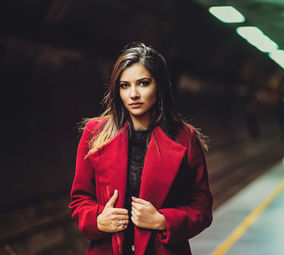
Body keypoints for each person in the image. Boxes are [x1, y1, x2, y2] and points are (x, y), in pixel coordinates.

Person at [69, 42, 213, 255]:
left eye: (143, 83)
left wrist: (164, 221)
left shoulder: (185, 139)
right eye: (124, 85)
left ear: (160, 86)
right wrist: (98, 219)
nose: (133, 94)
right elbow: (80, 200)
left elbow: (201, 209)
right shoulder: (95, 134)